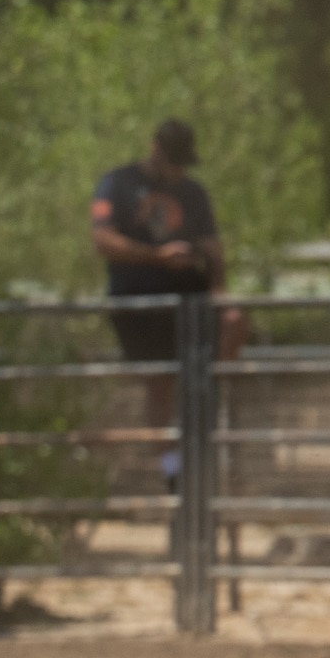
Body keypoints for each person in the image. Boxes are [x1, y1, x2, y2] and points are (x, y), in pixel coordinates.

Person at [87, 121, 226, 479]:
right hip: (138, 301)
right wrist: (156, 255)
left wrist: (221, 295)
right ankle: (172, 469)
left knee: (221, 347)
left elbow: (214, 249)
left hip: (188, 300)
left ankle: (205, 444)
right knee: (158, 383)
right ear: (155, 149)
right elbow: (103, 240)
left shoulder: (194, 193)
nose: (179, 170)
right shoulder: (117, 183)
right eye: (174, 161)